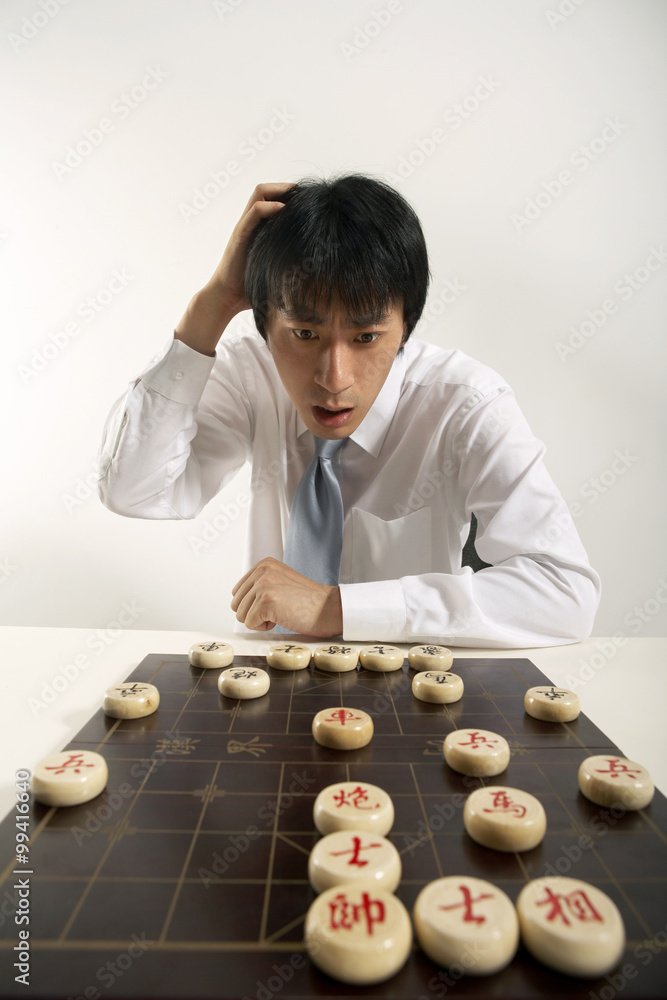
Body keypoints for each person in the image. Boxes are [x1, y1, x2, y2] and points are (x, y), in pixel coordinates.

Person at [98, 175, 600, 645]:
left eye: (366, 337)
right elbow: (133, 491)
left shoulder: (465, 404)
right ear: (264, 322)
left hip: (412, 692)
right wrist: (209, 307)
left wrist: (337, 608)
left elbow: (565, 593)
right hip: (268, 692)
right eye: (305, 334)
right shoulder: (249, 374)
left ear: (406, 326)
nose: (334, 378)